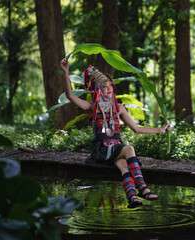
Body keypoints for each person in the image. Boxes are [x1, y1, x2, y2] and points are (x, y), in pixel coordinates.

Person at [60, 58, 170, 208]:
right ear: (98, 90)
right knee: (129, 149)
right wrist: (66, 72)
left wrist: (160, 130)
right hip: (102, 149)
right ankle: (143, 188)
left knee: (124, 165)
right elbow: (70, 96)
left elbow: (137, 129)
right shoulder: (93, 107)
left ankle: (132, 197)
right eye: (104, 87)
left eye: (110, 85)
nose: (109, 89)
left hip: (116, 149)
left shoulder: (120, 108)